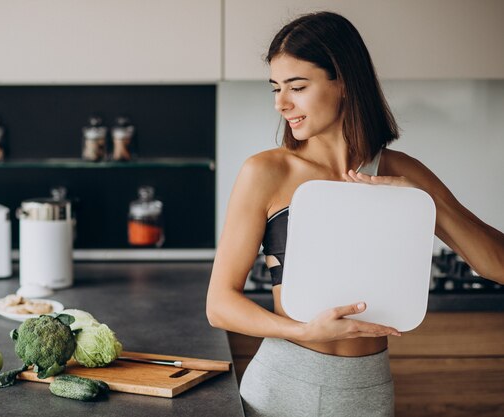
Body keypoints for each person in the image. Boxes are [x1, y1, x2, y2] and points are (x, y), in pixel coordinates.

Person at [206, 11, 504, 417]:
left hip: (370, 389)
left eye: (297, 87)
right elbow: (220, 303)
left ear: (342, 81)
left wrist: (425, 205)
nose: (281, 103)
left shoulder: (402, 172)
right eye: (276, 88)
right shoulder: (266, 172)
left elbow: (496, 265)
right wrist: (304, 330)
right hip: (284, 385)